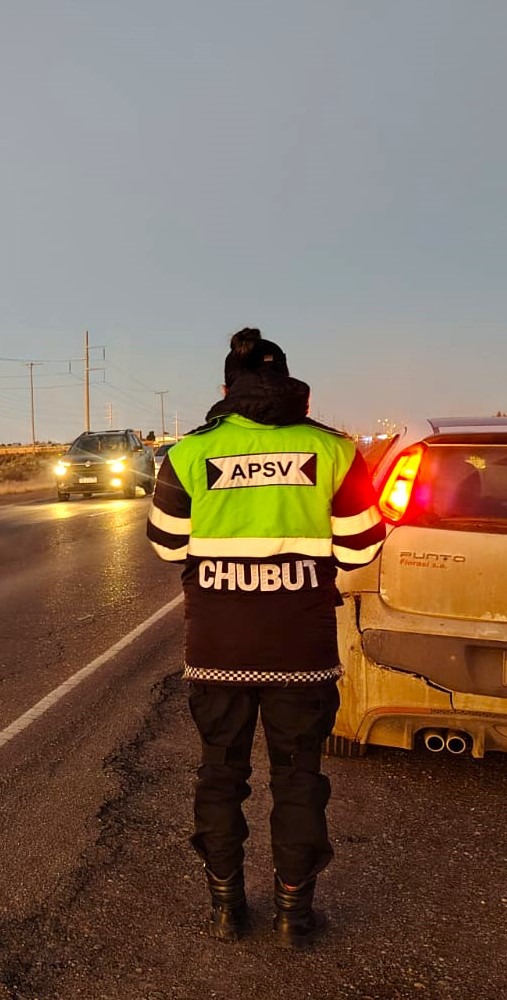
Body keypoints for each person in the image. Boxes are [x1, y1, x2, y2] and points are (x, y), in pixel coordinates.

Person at [147, 330, 385, 948]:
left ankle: (227, 908)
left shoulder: (190, 453)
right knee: (299, 776)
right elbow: (363, 546)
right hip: (300, 649)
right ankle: (292, 914)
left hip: (218, 648)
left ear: (226, 389)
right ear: (288, 384)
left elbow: (167, 545)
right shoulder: (332, 450)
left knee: (220, 773)